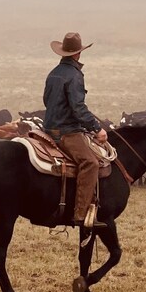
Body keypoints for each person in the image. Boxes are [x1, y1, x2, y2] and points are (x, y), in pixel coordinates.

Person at [43, 32, 109, 227]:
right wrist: (97, 128)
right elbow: (78, 108)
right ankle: (80, 215)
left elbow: (46, 101)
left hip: (48, 129)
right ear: (78, 54)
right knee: (90, 163)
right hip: (67, 132)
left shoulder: (53, 72)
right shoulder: (74, 75)